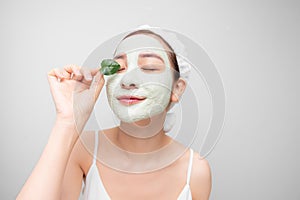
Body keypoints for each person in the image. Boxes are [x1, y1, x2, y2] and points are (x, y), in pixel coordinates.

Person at [17, 29, 212, 200]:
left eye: (149, 67)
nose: (128, 81)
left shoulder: (195, 170)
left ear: (176, 89)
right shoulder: (84, 149)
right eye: (119, 67)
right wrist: (67, 120)